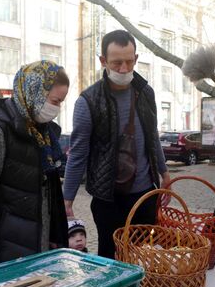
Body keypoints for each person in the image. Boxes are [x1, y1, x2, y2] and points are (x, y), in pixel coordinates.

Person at [63, 30, 170, 259]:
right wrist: (67, 199)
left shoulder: (145, 93)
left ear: (136, 59)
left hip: (144, 195)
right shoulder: (88, 101)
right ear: (103, 61)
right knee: (111, 260)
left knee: (145, 258)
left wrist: (165, 174)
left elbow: (152, 137)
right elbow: (78, 153)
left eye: (129, 62)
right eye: (116, 62)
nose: (123, 69)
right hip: (108, 199)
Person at [0, 60, 70, 266]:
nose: (57, 108)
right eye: (55, 101)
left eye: (60, 102)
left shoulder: (42, 132)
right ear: (34, 92)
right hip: (5, 254)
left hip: (37, 249)